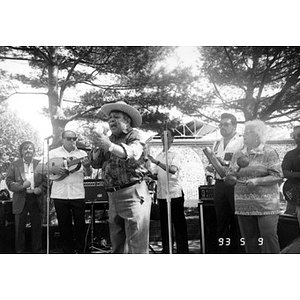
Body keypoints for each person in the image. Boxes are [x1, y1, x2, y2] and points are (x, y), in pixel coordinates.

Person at [89, 101, 152, 254]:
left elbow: (132, 153)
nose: (111, 120)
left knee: (136, 246)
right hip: (113, 196)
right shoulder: (110, 139)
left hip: (133, 194)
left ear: (127, 121)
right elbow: (95, 164)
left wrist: (108, 145)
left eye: (116, 117)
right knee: (117, 245)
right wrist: (98, 146)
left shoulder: (135, 135)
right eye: (109, 118)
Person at [226, 120, 282, 254]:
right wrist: (229, 177)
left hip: (266, 206)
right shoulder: (238, 154)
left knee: (268, 238)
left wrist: (257, 181)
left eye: (248, 132)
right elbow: (231, 173)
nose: (244, 135)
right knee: (250, 241)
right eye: (244, 132)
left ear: (257, 135)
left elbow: (278, 176)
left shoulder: (269, 152)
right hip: (244, 205)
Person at [38, 130, 92, 254]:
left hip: (77, 193)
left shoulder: (82, 153)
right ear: (62, 139)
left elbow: (89, 174)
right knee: (64, 225)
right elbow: (38, 168)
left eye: (74, 138)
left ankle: (81, 250)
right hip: (59, 194)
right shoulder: (53, 153)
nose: (72, 141)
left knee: (80, 224)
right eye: (68, 138)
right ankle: (68, 251)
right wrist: (53, 168)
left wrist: (88, 166)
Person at [206, 113, 244, 253]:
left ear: (234, 126)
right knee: (221, 220)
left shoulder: (241, 141)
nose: (223, 127)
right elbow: (211, 163)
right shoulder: (216, 143)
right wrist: (210, 168)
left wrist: (226, 163)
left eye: (226, 124)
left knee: (238, 221)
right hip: (219, 185)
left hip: (235, 184)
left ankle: (239, 251)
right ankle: (224, 252)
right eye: (221, 125)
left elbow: (244, 163)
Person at [148, 128, 189, 254]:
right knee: (165, 224)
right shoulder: (159, 155)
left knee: (179, 224)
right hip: (162, 194)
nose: (163, 139)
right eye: (161, 136)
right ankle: (167, 249)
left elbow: (172, 170)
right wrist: (148, 173)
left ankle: (183, 251)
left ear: (172, 139)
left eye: (166, 136)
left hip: (174, 193)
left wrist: (157, 162)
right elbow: (156, 175)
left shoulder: (175, 155)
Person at [6, 141, 46, 253]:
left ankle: (37, 251)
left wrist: (41, 189)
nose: (28, 150)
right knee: (19, 230)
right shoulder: (14, 164)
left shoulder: (40, 164)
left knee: (37, 229)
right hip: (20, 199)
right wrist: (21, 186)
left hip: (36, 199)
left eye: (30, 148)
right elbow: (9, 181)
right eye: (25, 148)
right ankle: (20, 253)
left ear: (33, 151)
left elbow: (46, 181)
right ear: (21, 151)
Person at [281, 125, 300, 225]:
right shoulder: (290, 154)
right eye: (294, 135)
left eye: (299, 135)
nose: (296, 138)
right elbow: (284, 172)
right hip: (296, 197)